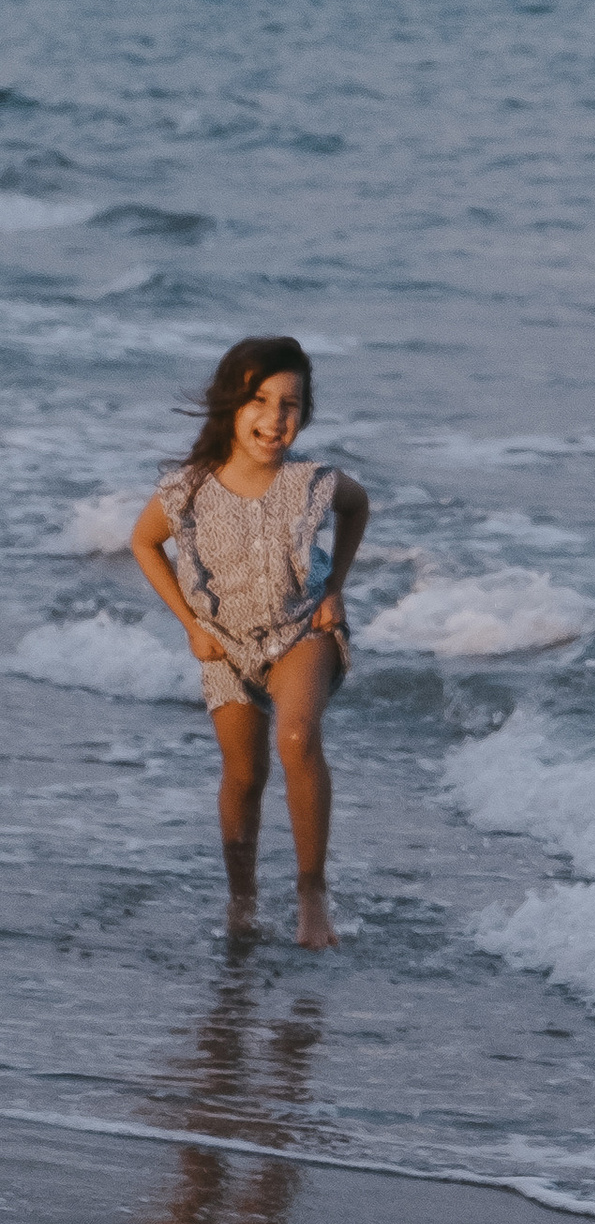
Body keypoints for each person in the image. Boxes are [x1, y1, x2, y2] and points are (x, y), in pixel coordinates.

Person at [130, 336, 369, 949]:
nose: (276, 417)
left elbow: (357, 506)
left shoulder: (312, 483)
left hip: (300, 631)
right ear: (231, 408)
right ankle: (242, 898)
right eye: (260, 400)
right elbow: (143, 543)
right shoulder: (188, 489)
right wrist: (191, 626)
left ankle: (311, 892)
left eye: (292, 403)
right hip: (226, 645)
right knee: (244, 772)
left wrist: (335, 588)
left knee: (296, 736)